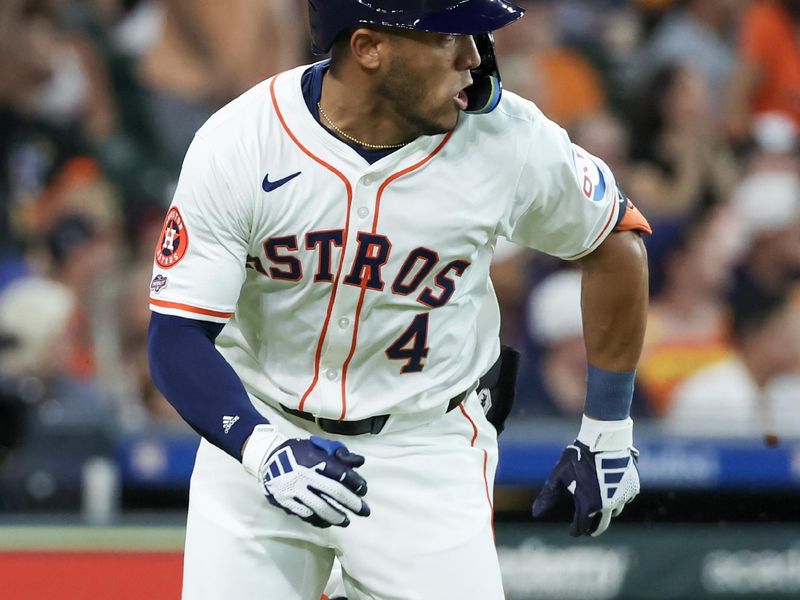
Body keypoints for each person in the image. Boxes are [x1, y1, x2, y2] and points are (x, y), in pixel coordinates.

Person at [146, 2, 651, 598]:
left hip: (424, 450)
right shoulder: (244, 141)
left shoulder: (509, 139)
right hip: (264, 438)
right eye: (448, 37)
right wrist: (258, 445)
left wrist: (609, 427)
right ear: (368, 48)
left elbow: (616, 242)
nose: (473, 57)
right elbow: (176, 335)